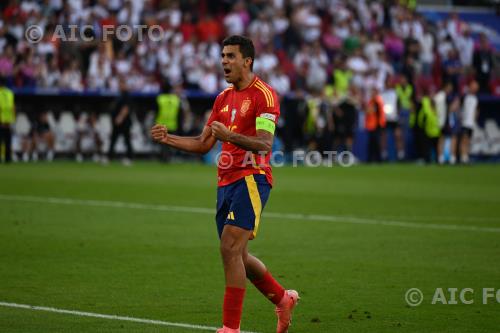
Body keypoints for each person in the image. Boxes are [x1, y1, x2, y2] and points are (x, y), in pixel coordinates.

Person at [151, 35, 299, 333]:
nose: (224, 62)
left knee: (229, 249)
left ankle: (230, 328)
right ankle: (283, 299)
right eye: (222, 56)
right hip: (225, 183)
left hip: (252, 178)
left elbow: (265, 144)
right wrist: (169, 139)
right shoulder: (222, 98)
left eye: (230, 56)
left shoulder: (265, 95)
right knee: (239, 255)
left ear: (248, 60)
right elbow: (203, 144)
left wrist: (229, 137)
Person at [106, 81, 133, 165]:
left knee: (127, 140)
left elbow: (126, 108)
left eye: (122, 84)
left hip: (124, 122)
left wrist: (120, 117)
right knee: (113, 139)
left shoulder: (126, 95)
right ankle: (109, 157)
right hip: (118, 122)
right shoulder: (120, 95)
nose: (120, 86)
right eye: (119, 84)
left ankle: (129, 158)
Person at [460, 80, 479, 164]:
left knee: (468, 141)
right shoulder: (465, 96)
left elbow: (476, 111)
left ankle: (466, 156)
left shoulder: (475, 99)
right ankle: (463, 157)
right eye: (474, 86)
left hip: (471, 124)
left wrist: (474, 119)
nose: (475, 88)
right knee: (464, 140)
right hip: (464, 123)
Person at [0, 76, 15, 163]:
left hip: (1, 120)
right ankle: (7, 159)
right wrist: (13, 119)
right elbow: (13, 107)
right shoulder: (10, 93)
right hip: (8, 121)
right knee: (8, 141)